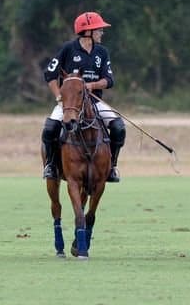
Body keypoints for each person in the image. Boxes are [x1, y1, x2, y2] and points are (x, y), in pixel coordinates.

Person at [41, 11, 126, 183]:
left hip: (95, 102)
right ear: (88, 32)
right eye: (98, 29)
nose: (102, 32)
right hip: (70, 104)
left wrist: (91, 86)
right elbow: (50, 74)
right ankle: (50, 166)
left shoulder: (102, 52)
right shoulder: (68, 49)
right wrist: (59, 96)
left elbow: (109, 80)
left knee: (118, 127)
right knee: (50, 128)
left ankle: (112, 166)